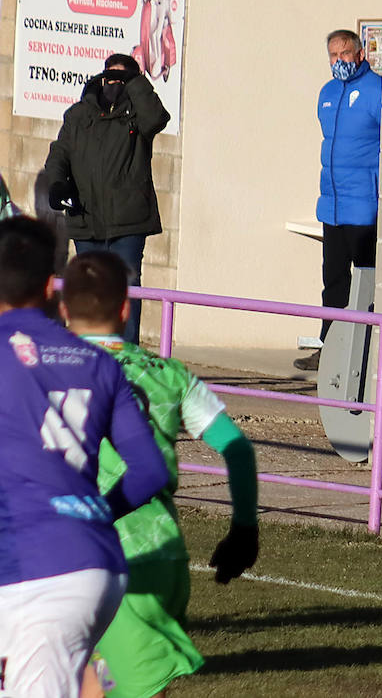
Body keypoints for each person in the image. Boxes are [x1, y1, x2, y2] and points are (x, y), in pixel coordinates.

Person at [60, 252, 259, 698]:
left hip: (82, 556)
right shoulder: (170, 374)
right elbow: (238, 449)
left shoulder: (51, 372)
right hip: (158, 555)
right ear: (126, 309)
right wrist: (244, 527)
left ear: (63, 309)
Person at [0, 217, 168, 698]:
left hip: (39, 576)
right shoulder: (94, 361)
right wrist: (86, 514)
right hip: (89, 563)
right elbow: (150, 468)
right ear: (49, 285)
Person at [42, 54, 170, 345]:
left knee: (125, 287)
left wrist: (136, 83)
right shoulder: (79, 115)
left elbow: (157, 118)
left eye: (122, 78)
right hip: (85, 220)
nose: (115, 82)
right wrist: (57, 184)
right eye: (110, 76)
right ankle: (87, 349)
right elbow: (59, 154)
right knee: (87, 289)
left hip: (129, 222)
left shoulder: (139, 115)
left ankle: (126, 354)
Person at [295, 29, 382, 372]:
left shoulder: (377, 91)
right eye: (333, 55)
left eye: (344, 53)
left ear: (360, 54)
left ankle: (362, 355)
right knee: (333, 281)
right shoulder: (327, 93)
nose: (338, 61)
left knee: (364, 284)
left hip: (364, 206)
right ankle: (329, 348)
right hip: (332, 205)